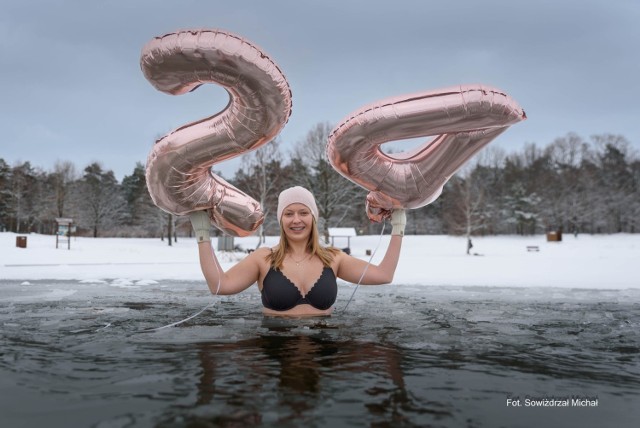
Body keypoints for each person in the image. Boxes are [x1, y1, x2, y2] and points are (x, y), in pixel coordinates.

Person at [189, 186, 406, 317]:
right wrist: (202, 234)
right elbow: (220, 285)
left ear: (313, 218)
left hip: (325, 350)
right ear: (281, 219)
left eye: (303, 212)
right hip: (275, 349)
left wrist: (398, 227)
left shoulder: (333, 258)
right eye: (288, 213)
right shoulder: (263, 259)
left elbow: (384, 275)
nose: (296, 220)